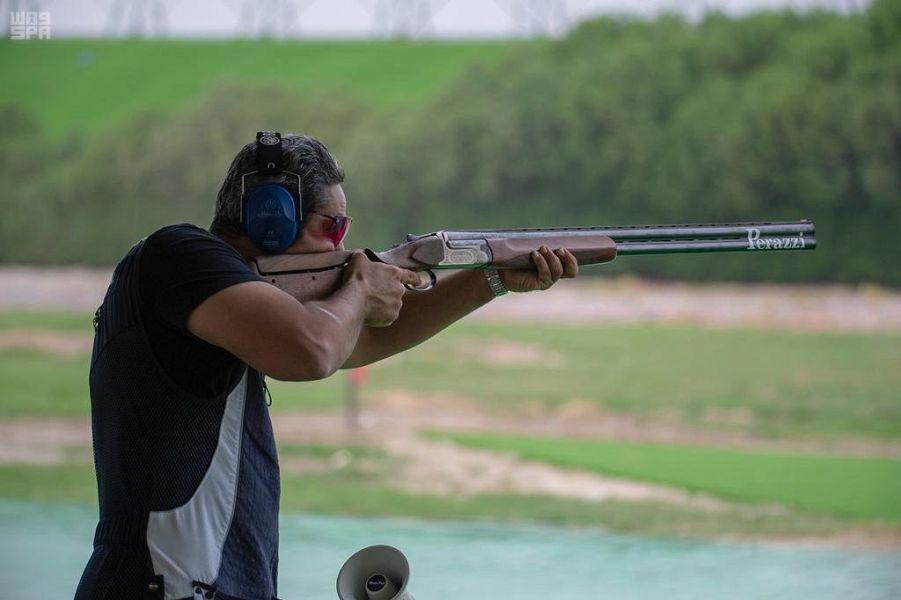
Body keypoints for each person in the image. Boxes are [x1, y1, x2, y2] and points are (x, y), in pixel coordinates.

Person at [75, 132, 579, 600]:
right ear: (270, 218)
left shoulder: (224, 295)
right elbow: (314, 351)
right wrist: (360, 290)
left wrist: (490, 279)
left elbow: (354, 343)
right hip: (162, 582)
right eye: (332, 226)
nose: (341, 246)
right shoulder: (179, 256)